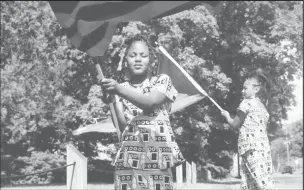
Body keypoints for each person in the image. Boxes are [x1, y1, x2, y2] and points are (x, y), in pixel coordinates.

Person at [99, 34, 185, 190]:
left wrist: (118, 89)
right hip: (129, 160)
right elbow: (123, 126)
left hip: (157, 158)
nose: (138, 59)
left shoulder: (161, 81)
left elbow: (151, 103)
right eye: (132, 55)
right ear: (125, 61)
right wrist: (112, 100)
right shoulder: (121, 89)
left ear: (151, 62)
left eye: (143, 55)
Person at [221, 69, 277, 190]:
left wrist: (226, 116)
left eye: (245, 88)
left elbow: (235, 124)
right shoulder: (262, 106)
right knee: (254, 182)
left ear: (256, 89)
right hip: (263, 148)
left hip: (250, 148)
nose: (242, 91)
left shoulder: (246, 103)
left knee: (261, 182)